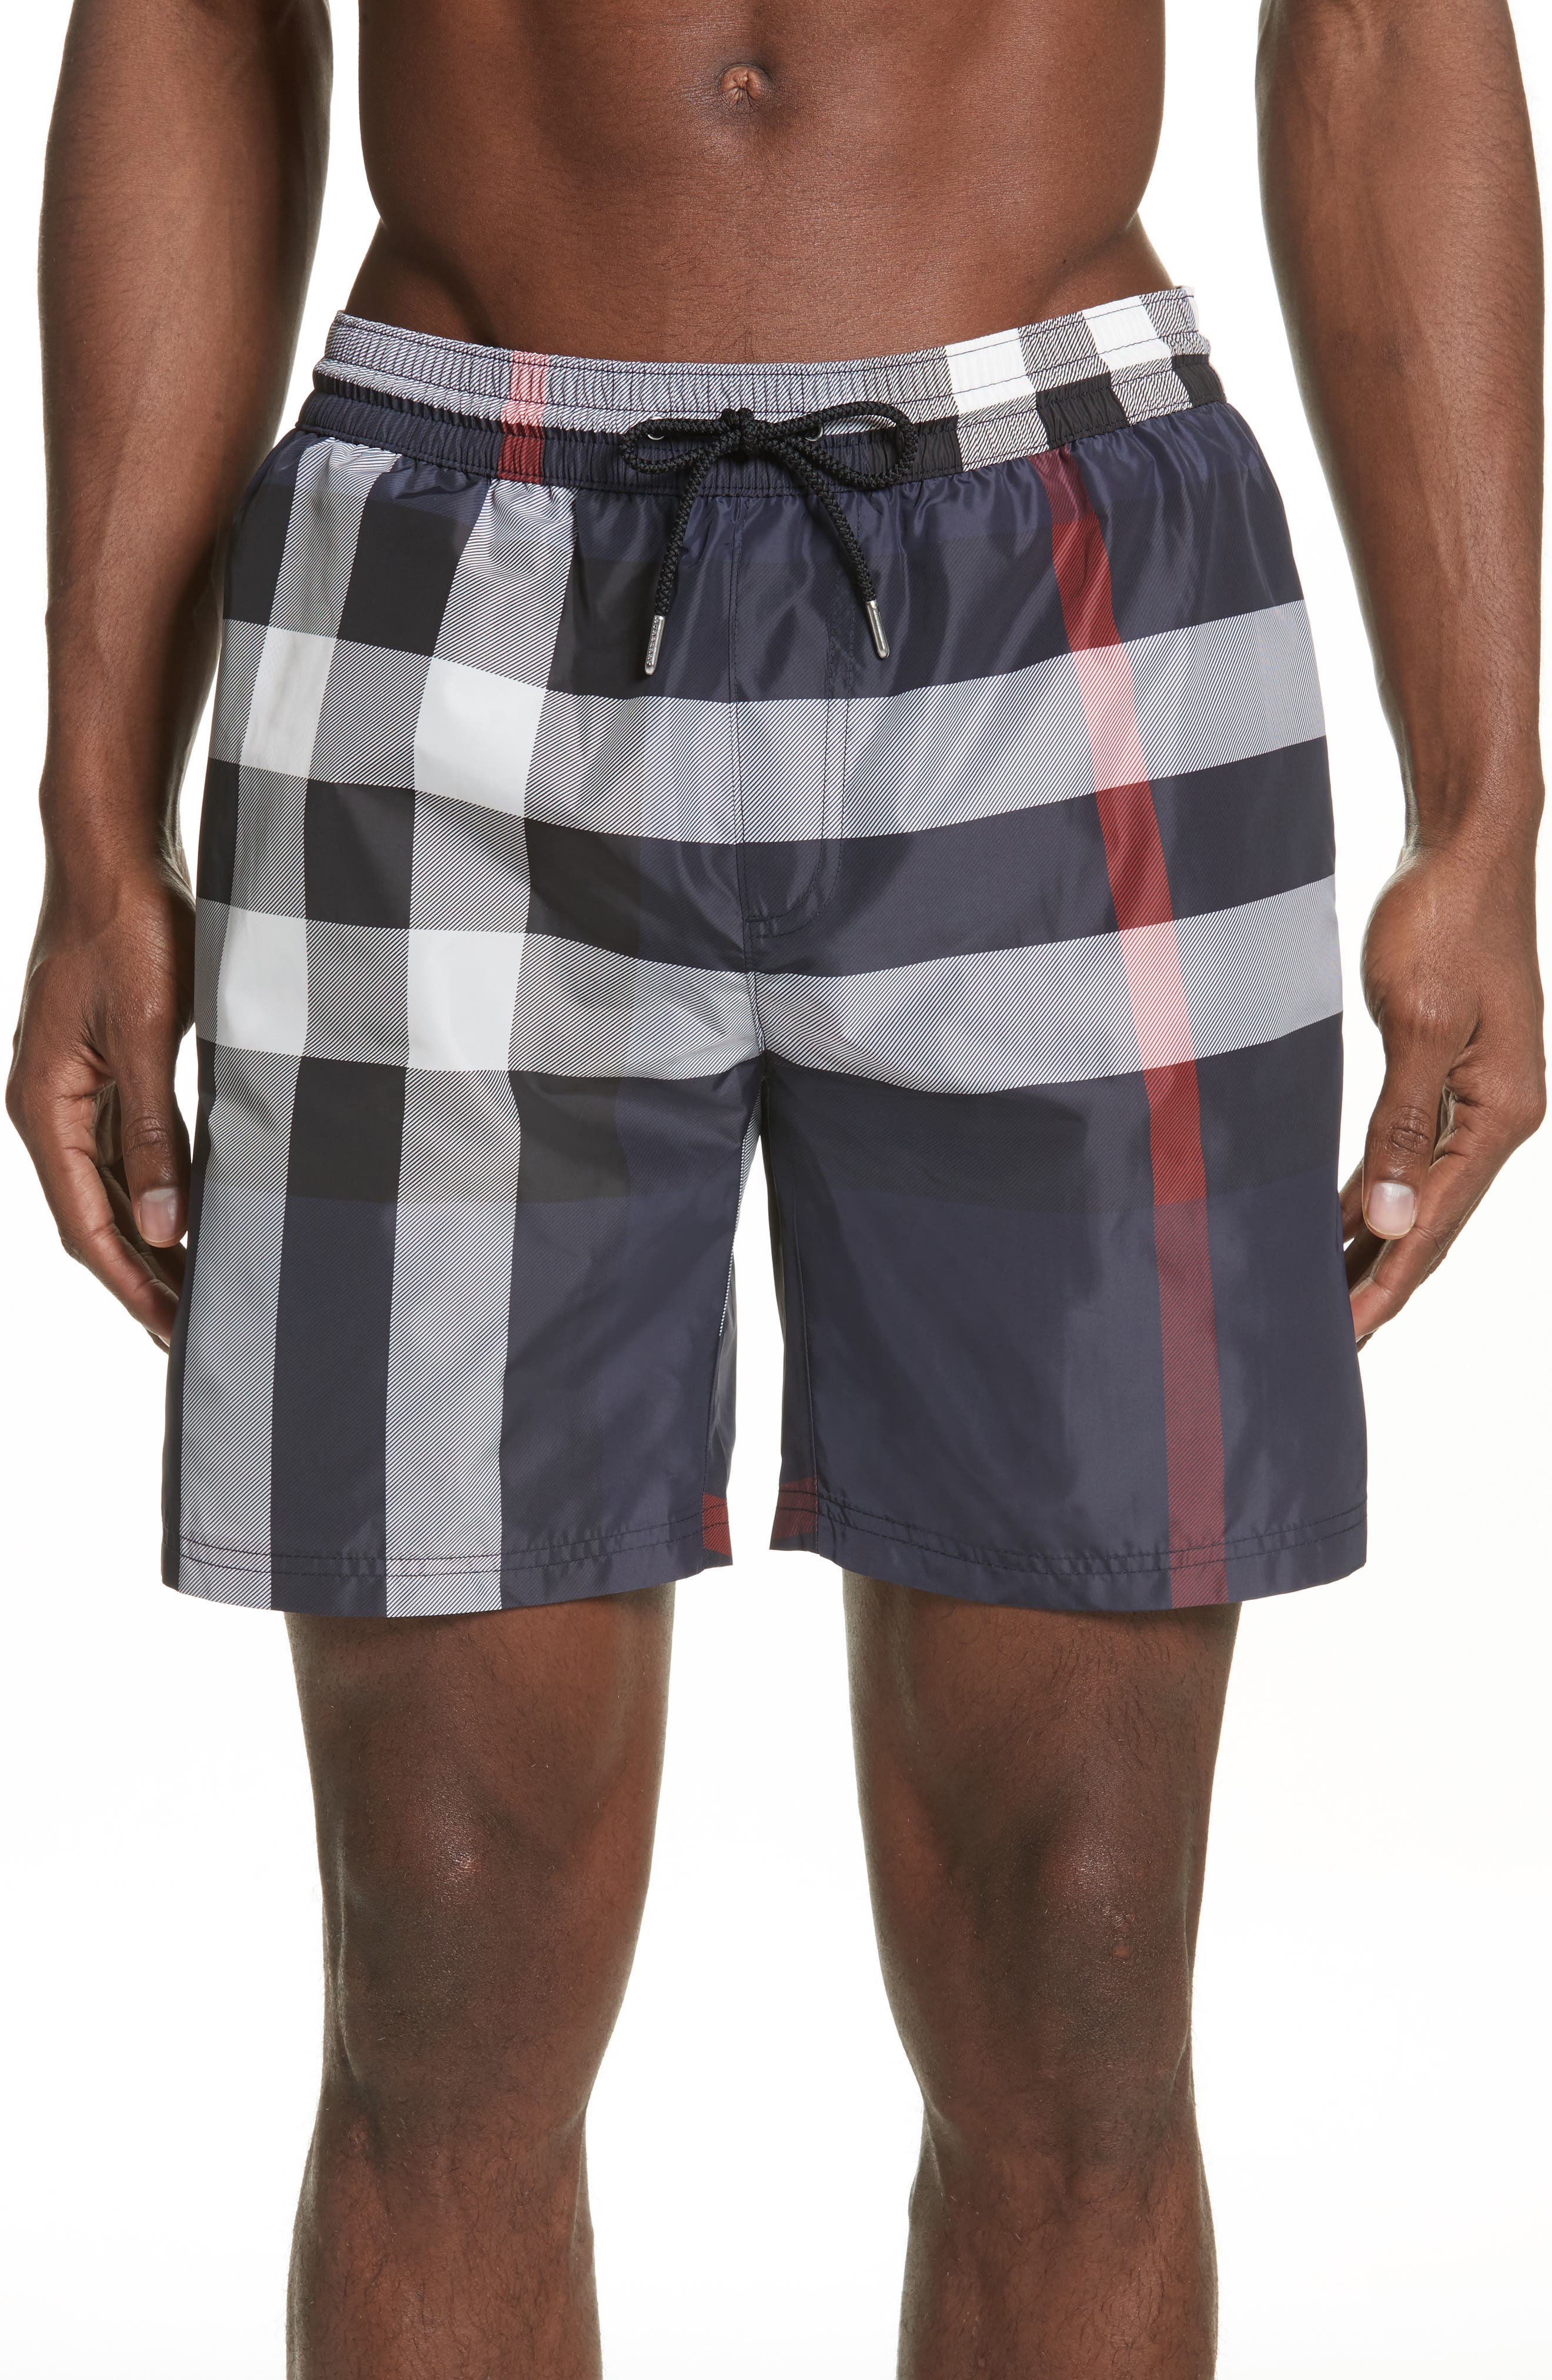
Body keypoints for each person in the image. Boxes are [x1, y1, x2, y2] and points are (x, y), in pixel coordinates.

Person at [8, 0, 1544, 2371]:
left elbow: (1384, 27)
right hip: (446, 572)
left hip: (1073, 568)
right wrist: (94, 812)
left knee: (1078, 1948)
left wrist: (1487, 808)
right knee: (444, 1950)